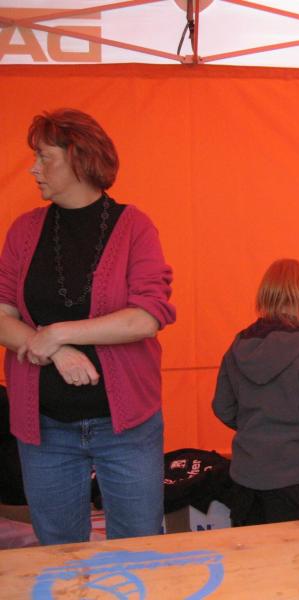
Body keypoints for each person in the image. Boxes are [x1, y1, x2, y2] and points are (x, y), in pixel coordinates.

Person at [0, 108, 176, 545]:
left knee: (137, 546)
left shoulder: (135, 227)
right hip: (44, 426)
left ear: (79, 160)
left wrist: (60, 333)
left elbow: (147, 317)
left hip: (127, 426)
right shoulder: (24, 230)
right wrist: (55, 350)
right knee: (59, 555)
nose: (33, 168)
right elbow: (1, 315)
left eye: (44, 157)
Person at [212, 258, 299, 526]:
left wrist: (254, 425)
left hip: (244, 480)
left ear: (265, 295)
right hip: (289, 482)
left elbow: (222, 407)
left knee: (250, 551)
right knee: (292, 551)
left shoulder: (237, 347)